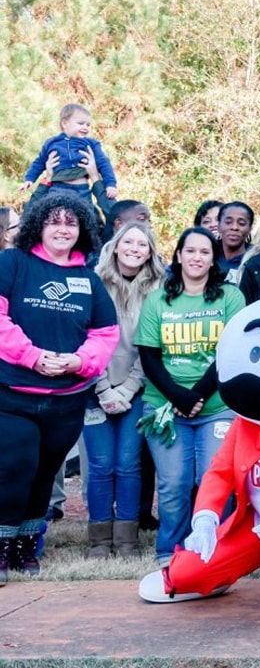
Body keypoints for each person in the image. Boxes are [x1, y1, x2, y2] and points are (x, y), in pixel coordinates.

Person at [0, 194, 119, 582]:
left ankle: (26, 550)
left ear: (82, 230)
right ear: (38, 224)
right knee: (15, 468)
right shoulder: (12, 263)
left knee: (44, 472)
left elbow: (105, 333)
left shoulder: (87, 278)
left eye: (71, 222)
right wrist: (32, 356)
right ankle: (2, 547)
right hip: (13, 394)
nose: (63, 228)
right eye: (54, 221)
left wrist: (78, 362)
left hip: (66, 400)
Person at [136, 227, 245, 562]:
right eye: (191, 251)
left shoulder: (229, 297)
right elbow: (149, 356)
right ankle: (172, 551)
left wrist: (196, 394)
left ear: (214, 260)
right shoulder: (158, 299)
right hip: (165, 407)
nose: (197, 257)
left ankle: (219, 549)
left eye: (205, 252)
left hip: (218, 406)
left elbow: (233, 349)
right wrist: (177, 397)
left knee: (213, 480)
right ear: (179, 255)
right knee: (173, 484)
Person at [80, 221, 164, 560]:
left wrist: (128, 389)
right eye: (128, 241)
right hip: (93, 388)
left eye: (142, 244)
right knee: (101, 464)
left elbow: (154, 346)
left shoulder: (159, 289)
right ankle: (99, 540)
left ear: (150, 252)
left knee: (128, 464)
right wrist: (103, 389)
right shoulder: (93, 282)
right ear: (115, 245)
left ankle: (127, 540)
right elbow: (83, 338)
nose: (134, 248)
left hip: (137, 388)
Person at [21, 103, 119, 202]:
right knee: (54, 212)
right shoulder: (52, 143)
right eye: (81, 123)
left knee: (86, 213)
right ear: (65, 124)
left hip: (82, 189)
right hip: (58, 188)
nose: (85, 127)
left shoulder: (91, 144)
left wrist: (110, 185)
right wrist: (29, 179)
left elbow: (104, 163)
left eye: (88, 125)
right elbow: (39, 162)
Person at [215, 201, 254, 275]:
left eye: (241, 224)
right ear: (219, 226)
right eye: (228, 222)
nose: (234, 227)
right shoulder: (208, 254)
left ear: (250, 229)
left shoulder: (256, 259)